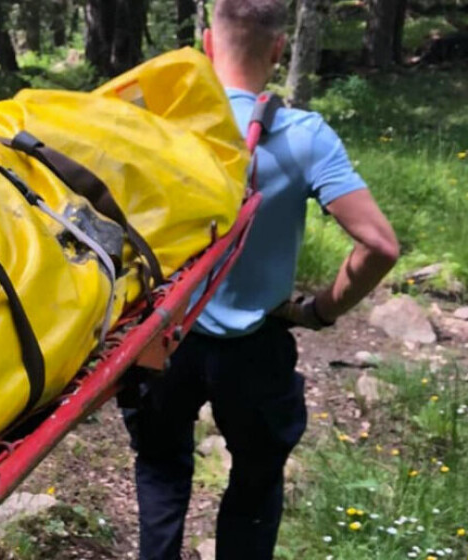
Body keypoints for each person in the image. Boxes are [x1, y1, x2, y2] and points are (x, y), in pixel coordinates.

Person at [120, 0, 401, 558]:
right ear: (279, 49)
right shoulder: (304, 135)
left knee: (160, 470)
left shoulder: (153, 125)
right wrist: (321, 310)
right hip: (257, 349)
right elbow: (380, 245)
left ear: (205, 43)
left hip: (163, 337)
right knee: (254, 485)